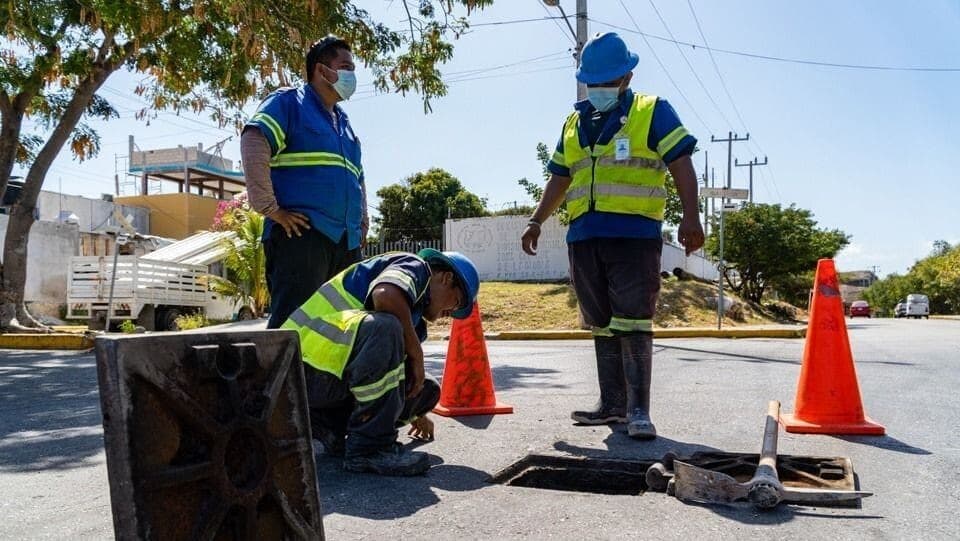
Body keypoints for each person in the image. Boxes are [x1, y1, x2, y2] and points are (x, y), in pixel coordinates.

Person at [521, 32, 704, 440]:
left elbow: (681, 163)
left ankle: (639, 411)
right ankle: (612, 405)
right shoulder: (573, 121)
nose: (599, 90)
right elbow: (560, 177)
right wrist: (536, 219)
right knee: (601, 322)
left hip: (634, 234)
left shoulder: (652, 110)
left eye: (607, 82)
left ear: (627, 77)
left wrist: (691, 216)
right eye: (593, 82)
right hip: (584, 237)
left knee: (634, 318)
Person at [282, 249, 480, 476]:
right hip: (297, 367)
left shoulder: (413, 322)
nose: (451, 314)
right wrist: (416, 353)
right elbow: (384, 296)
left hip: (327, 378)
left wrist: (415, 410)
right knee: (385, 326)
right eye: (457, 303)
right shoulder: (415, 267)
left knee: (425, 388)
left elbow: (387, 373)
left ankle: (330, 427)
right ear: (446, 278)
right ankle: (369, 449)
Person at [242, 35, 369, 329]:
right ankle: (283, 378)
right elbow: (254, 139)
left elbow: (358, 176)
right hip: (301, 236)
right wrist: (269, 208)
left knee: (341, 329)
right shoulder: (288, 103)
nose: (352, 75)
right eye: (345, 67)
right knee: (294, 326)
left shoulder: (344, 123)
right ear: (322, 70)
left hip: (345, 243)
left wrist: (362, 222)